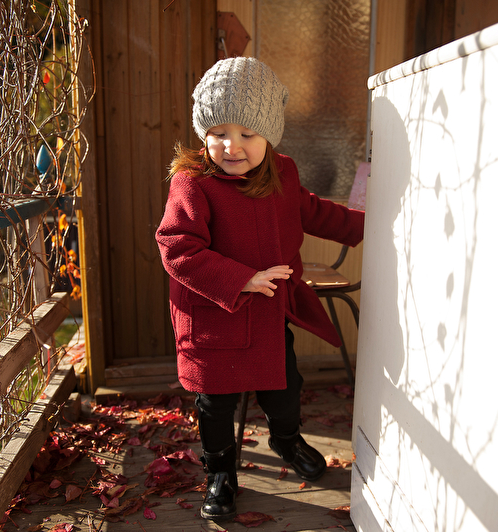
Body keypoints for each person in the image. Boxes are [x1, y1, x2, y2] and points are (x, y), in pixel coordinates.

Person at [155, 57, 365, 521]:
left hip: (268, 312)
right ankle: (220, 473)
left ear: (269, 134)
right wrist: (241, 278)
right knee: (216, 404)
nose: (232, 146)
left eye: (247, 133)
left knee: (284, 386)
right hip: (215, 316)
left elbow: (313, 211)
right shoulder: (193, 182)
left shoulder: (282, 172)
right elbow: (177, 247)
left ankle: (286, 439)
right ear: (203, 134)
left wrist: (368, 223)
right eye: (218, 133)